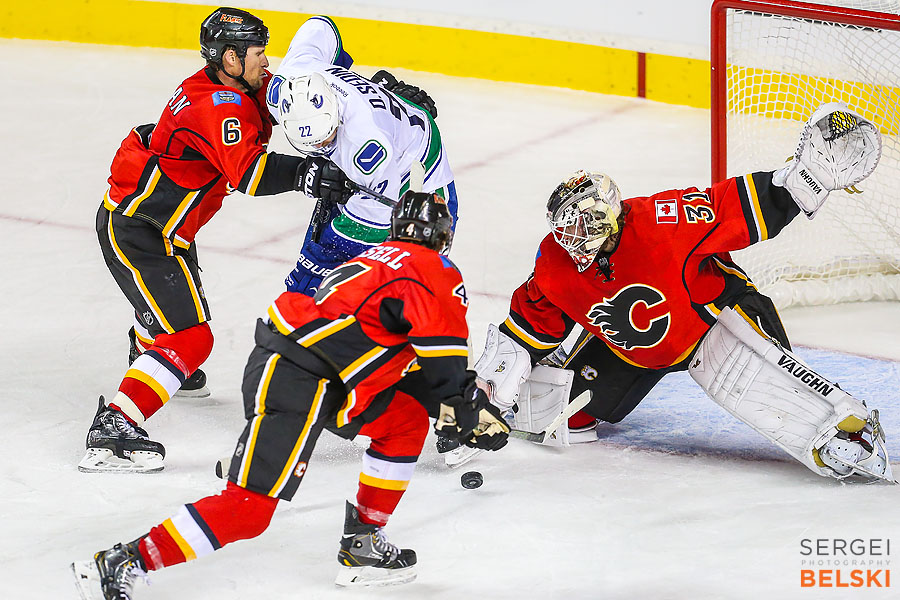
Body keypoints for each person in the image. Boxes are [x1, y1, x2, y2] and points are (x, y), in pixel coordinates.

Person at [71, 192, 510, 598]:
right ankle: (123, 561)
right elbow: (444, 365)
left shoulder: (377, 259)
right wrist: (467, 410)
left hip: (306, 370)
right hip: (304, 380)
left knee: (404, 422)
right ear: (444, 236)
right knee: (248, 510)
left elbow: (405, 370)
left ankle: (363, 544)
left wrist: (462, 408)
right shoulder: (434, 270)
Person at [471, 102, 894, 482]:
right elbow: (526, 329)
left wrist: (802, 181)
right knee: (548, 413)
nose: (574, 239)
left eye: (584, 225)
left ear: (609, 216)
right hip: (632, 351)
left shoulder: (662, 221)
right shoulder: (555, 265)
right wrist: (486, 391)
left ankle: (848, 431)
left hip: (713, 320)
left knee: (793, 407)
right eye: (567, 230)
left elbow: (733, 206)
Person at [79, 7, 354, 474]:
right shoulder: (219, 106)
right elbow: (250, 173)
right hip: (139, 232)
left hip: (163, 228)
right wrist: (306, 174)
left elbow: (291, 96)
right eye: (257, 52)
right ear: (230, 57)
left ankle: (150, 359)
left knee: (172, 321)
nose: (265, 60)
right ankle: (114, 427)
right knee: (192, 338)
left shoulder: (234, 85)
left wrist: (360, 90)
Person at [265, 15, 456, 296]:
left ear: (335, 114)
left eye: (327, 139)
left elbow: (373, 221)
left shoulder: (367, 144)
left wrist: (322, 257)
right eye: (313, 145)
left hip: (416, 166)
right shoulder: (283, 86)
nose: (321, 148)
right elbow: (320, 26)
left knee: (408, 286)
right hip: (377, 130)